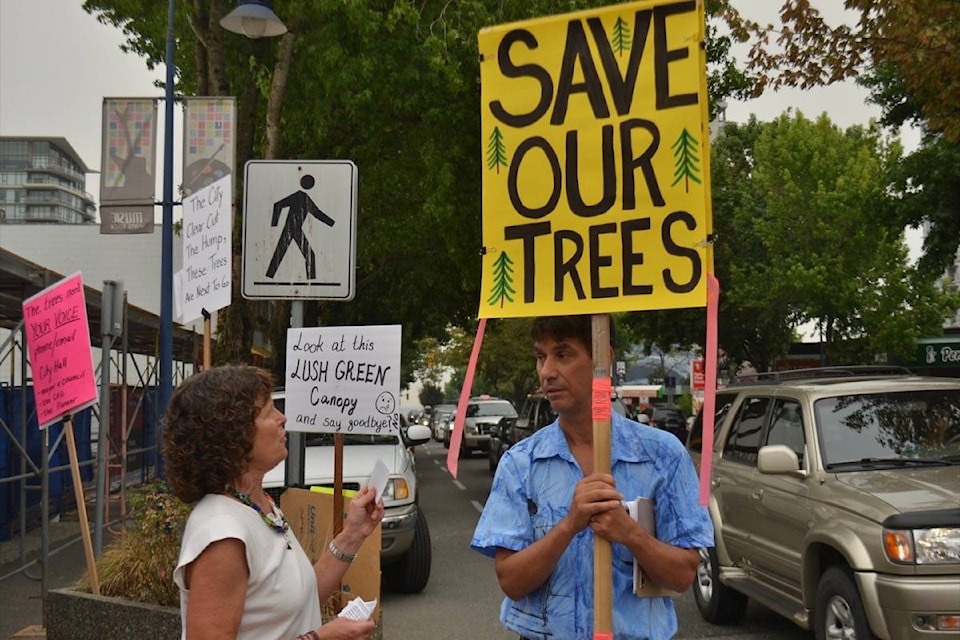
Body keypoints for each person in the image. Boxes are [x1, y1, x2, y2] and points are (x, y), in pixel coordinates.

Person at [471, 315, 714, 640]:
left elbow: (683, 574)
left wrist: (629, 533)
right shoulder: (522, 462)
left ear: (603, 359)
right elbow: (511, 581)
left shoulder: (661, 455)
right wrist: (570, 524)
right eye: (540, 357)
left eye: (563, 354)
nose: (547, 372)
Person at [162, 364, 381, 640]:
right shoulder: (222, 534)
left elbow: (300, 596)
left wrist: (353, 534)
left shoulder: (257, 506)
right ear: (234, 436)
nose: (283, 418)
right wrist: (320, 638)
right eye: (268, 412)